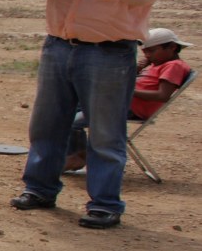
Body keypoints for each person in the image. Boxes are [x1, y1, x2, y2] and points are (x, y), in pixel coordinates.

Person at [10, 0, 172, 228]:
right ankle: (39, 189)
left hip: (109, 54)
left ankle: (104, 203)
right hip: (58, 47)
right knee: (47, 125)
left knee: (105, 132)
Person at [65, 26, 191, 171]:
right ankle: (67, 153)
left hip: (128, 107)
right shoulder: (158, 64)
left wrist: (126, 92)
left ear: (172, 47)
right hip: (118, 102)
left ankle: (77, 157)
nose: (148, 56)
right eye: (145, 52)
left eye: (151, 51)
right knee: (69, 107)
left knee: (73, 121)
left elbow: (162, 95)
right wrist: (137, 69)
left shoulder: (174, 66)